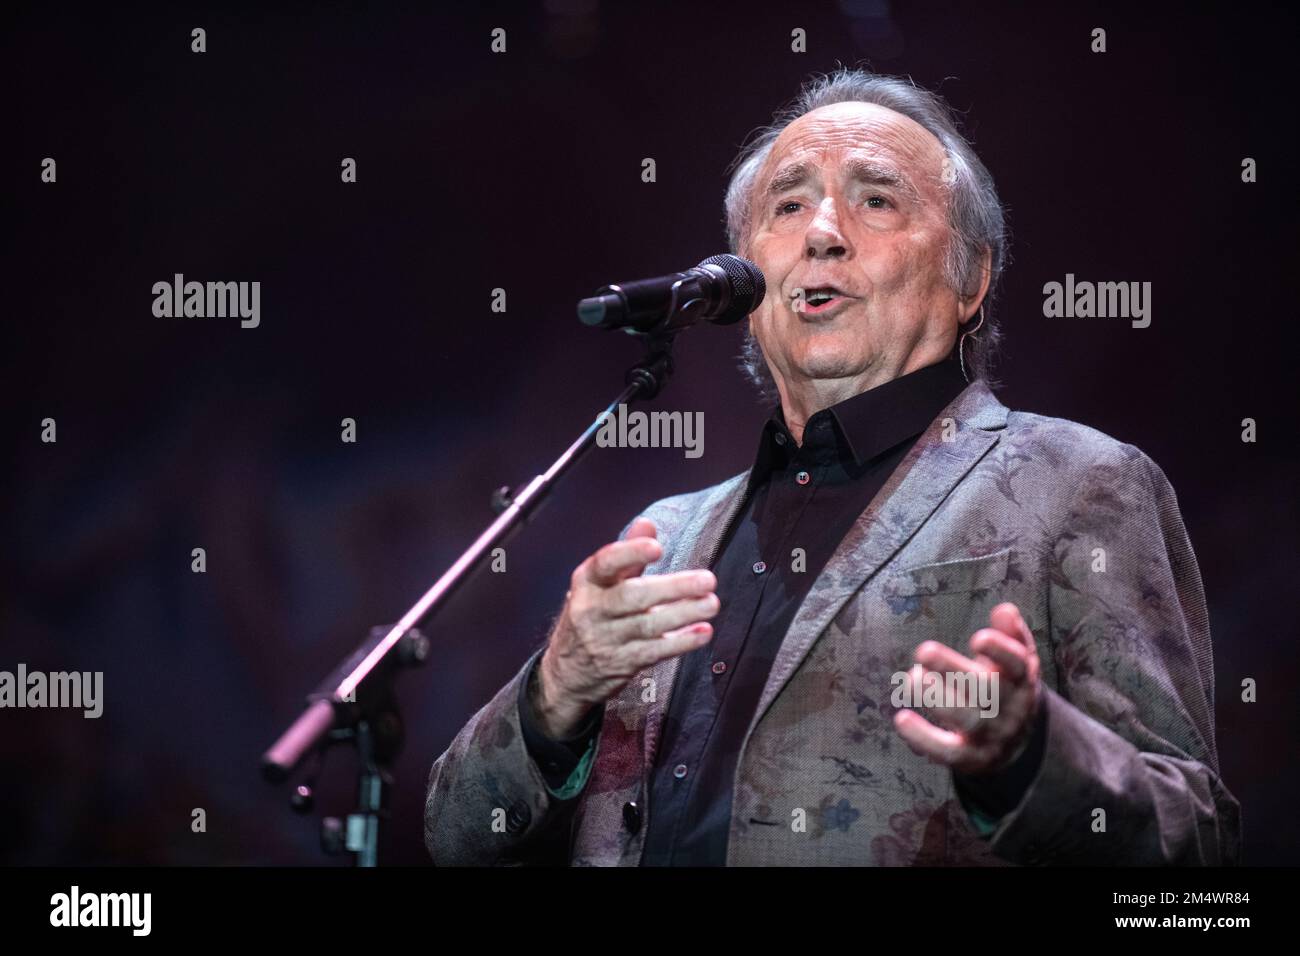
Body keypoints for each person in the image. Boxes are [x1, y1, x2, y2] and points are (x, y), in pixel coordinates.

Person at [423, 68, 1240, 866]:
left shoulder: (1080, 481)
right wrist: (555, 691)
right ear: (748, 276)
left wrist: (1033, 758)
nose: (822, 230)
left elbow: (1193, 840)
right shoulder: (662, 540)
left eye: (876, 199)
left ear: (972, 278)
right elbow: (453, 839)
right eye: (787, 205)